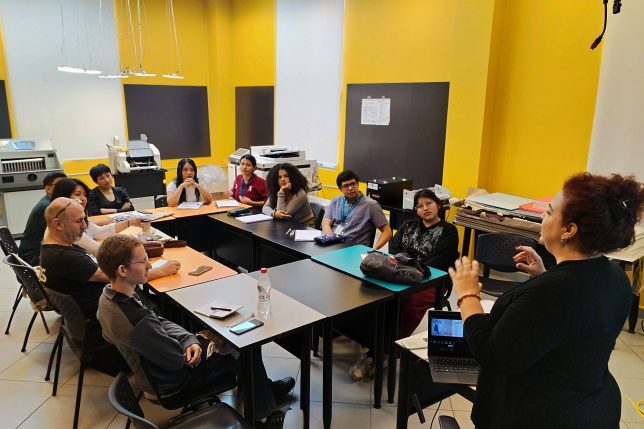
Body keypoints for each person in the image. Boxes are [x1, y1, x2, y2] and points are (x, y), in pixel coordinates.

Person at [449, 173, 644, 429]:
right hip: (592, 405)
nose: (543, 216)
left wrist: (467, 295)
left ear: (569, 230)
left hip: (539, 414)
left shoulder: (551, 293)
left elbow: (493, 355)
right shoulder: (615, 276)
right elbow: (571, 321)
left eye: (550, 212)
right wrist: (545, 275)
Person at [96, 234, 295, 427]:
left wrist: (188, 339)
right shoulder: (136, 321)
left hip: (157, 371)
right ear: (123, 270)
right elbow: (176, 359)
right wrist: (196, 343)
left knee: (228, 337)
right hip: (175, 382)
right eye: (143, 261)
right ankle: (263, 414)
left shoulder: (110, 297)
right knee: (246, 343)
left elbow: (157, 320)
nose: (149, 265)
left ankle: (260, 391)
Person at [39, 197, 180, 320]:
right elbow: (119, 277)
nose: (85, 226)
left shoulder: (53, 249)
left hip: (98, 310)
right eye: (79, 221)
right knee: (174, 308)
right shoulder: (64, 257)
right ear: (58, 224)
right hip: (112, 315)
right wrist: (161, 271)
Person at [389, 188, 459, 337]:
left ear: (438, 205)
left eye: (429, 203)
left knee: (411, 301)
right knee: (385, 297)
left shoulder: (449, 231)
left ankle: (396, 341)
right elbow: (393, 247)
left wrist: (409, 265)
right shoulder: (408, 225)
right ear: (416, 210)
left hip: (433, 279)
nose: (425, 208)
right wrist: (406, 267)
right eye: (420, 206)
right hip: (402, 274)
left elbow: (438, 261)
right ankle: (382, 337)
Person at [50, 178, 141, 256]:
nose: (83, 198)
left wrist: (129, 222)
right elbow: (99, 250)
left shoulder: (119, 190)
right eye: (77, 194)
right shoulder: (69, 227)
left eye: (84, 195)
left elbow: (99, 231)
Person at [322, 170, 392, 249]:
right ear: (340, 188)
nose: (350, 188)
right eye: (346, 186)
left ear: (358, 184)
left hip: (354, 249)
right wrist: (330, 238)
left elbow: (387, 232)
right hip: (334, 245)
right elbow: (326, 221)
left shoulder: (371, 205)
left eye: (353, 184)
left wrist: (373, 250)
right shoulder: (336, 200)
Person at [17, 171, 67, 266]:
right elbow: (67, 233)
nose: (65, 188)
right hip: (33, 257)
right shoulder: (49, 206)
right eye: (60, 185)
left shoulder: (51, 201)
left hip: (34, 253)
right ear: (48, 189)